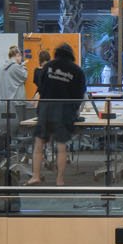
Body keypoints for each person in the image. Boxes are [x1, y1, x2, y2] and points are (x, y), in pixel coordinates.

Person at [29, 43, 87, 187]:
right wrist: (73, 110)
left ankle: (35, 176)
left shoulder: (48, 67)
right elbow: (79, 95)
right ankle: (59, 180)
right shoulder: (77, 71)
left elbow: (40, 87)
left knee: (39, 143)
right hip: (64, 110)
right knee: (61, 146)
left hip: (45, 108)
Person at [0, 45, 30, 134]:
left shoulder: (3, 67)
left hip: (6, 102)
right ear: (17, 55)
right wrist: (23, 66)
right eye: (20, 57)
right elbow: (24, 76)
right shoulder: (15, 67)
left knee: (9, 125)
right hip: (16, 102)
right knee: (20, 125)